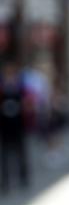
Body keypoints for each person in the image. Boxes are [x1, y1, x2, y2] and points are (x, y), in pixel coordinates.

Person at [0, 60, 32, 193]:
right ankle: (5, 181)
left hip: (18, 126)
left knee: (21, 153)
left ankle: (23, 177)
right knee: (4, 156)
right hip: (4, 126)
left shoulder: (21, 87)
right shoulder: (2, 88)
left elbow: (28, 103)